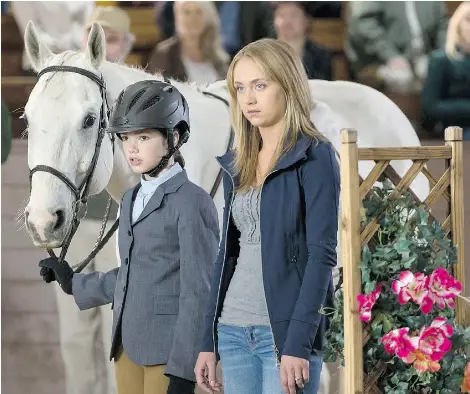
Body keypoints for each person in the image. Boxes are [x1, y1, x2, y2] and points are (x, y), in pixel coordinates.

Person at [38, 80, 220, 394]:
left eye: (143, 137)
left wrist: (184, 367)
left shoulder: (192, 201)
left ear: (174, 137)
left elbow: (199, 290)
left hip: (168, 354)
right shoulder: (131, 198)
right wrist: (74, 283)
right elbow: (135, 276)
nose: (131, 148)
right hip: (126, 347)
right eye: (125, 138)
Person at [194, 38, 340, 394]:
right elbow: (226, 254)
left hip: (286, 334)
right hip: (231, 330)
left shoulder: (316, 156)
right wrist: (206, 340)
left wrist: (298, 343)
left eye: (260, 85)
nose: (249, 98)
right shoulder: (236, 162)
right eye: (240, 88)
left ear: (287, 85)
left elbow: (322, 257)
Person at [51, 8, 135, 394]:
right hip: (74, 228)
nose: (101, 44)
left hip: (121, 225)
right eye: (94, 35)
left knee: (115, 333)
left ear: (125, 44)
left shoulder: (138, 92)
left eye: (111, 38)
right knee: (74, 335)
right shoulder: (68, 87)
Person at [345, 1, 449, 92]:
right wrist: (390, 55)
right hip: (378, 60)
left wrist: (442, 55)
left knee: (439, 72)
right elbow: (363, 26)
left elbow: (443, 24)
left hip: (423, 57)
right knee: (400, 78)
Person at [148, 1, 229, 85]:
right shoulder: (164, 54)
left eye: (198, 12)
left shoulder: (218, 56)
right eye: (186, 12)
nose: (193, 18)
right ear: (177, 17)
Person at [421, 2, 470, 139]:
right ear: (458, 25)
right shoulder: (441, 60)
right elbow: (430, 107)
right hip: (454, 131)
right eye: (469, 20)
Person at [272, 1, 332, 80]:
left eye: (294, 15)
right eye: (281, 15)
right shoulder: (263, 54)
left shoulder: (321, 56)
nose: (287, 21)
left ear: (307, 20)